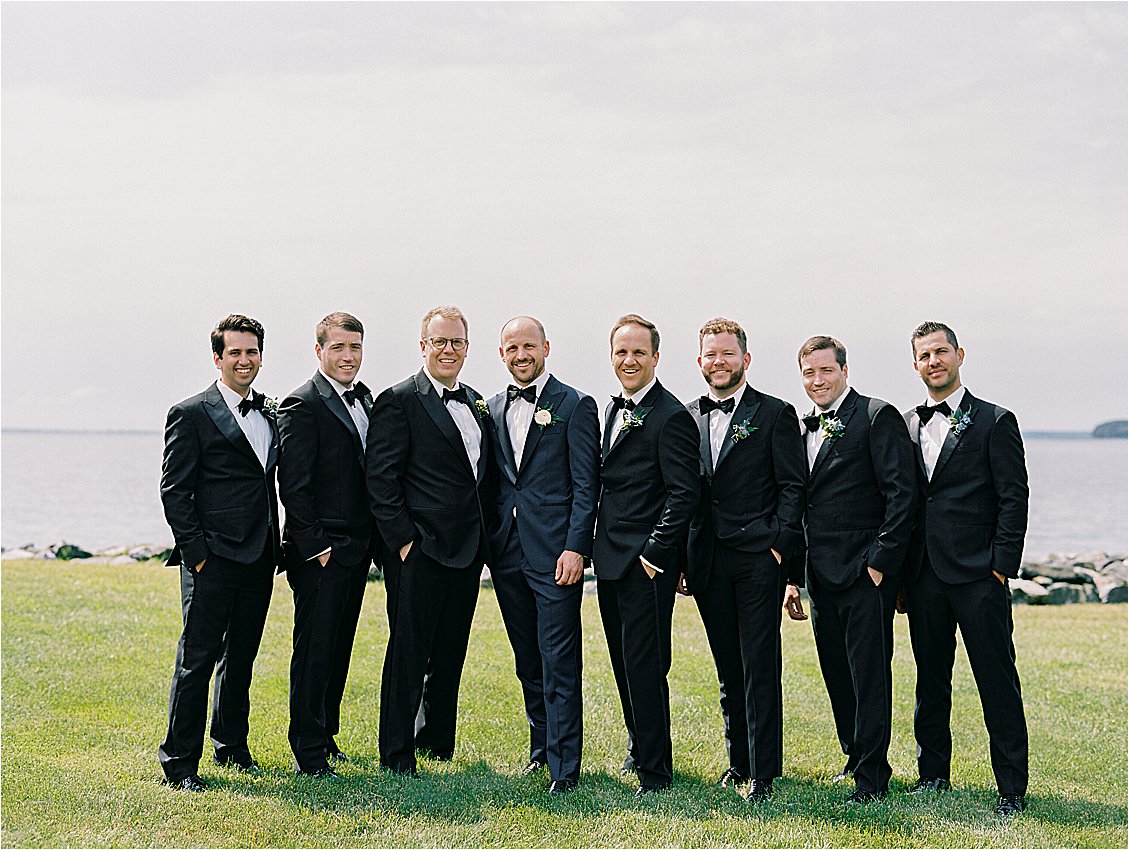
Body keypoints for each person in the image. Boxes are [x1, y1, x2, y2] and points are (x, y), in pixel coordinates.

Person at [902, 321, 1030, 817]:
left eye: (941, 352)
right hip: (924, 576)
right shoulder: (906, 424)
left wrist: (1000, 567)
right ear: (915, 365)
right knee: (930, 680)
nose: (933, 361)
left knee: (996, 680)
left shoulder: (995, 421)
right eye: (924, 355)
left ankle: (1011, 787)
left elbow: (1013, 498)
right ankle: (933, 775)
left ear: (959, 354)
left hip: (979, 576)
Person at [785, 335, 916, 803]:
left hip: (865, 573)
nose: (817, 380)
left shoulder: (877, 416)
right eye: (809, 373)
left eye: (826, 370)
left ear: (844, 370)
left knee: (869, 675)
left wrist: (880, 564)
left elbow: (902, 495)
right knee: (836, 672)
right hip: (819, 574)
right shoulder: (799, 426)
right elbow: (799, 503)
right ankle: (853, 755)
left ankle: (873, 776)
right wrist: (794, 577)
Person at [367, 305, 496, 775]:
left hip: (467, 551)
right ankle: (397, 752)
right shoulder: (398, 400)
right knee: (408, 652)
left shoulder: (477, 402)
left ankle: (436, 740)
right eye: (439, 341)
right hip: (418, 551)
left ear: (467, 348)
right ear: (423, 346)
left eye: (456, 342)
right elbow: (381, 479)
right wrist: (403, 542)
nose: (448, 350)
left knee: (449, 651)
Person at [684, 318, 806, 803]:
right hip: (707, 560)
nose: (719, 362)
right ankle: (737, 762)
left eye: (728, 354)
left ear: (745, 359)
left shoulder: (775, 413)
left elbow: (793, 487)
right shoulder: (687, 416)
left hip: (758, 558)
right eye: (711, 355)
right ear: (700, 361)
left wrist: (779, 547)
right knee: (727, 667)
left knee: (759, 664)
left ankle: (763, 773)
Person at [158, 314, 281, 792]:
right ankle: (179, 763)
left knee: (242, 656)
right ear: (218, 358)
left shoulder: (269, 413)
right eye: (235, 353)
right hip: (211, 560)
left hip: (260, 556)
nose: (244, 360)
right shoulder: (190, 413)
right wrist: (197, 554)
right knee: (197, 660)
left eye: (252, 352)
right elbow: (175, 491)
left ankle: (231, 745)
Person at [485, 316, 600, 794]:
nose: (521, 355)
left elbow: (586, 486)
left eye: (529, 346)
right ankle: (540, 749)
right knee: (527, 660)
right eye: (512, 348)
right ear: (502, 353)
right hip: (507, 553)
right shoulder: (492, 408)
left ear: (546, 348)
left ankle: (564, 768)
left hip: (556, 556)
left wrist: (576, 547)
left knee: (559, 660)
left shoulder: (574, 405)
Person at [594, 313, 699, 796]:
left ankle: (656, 771)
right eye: (622, 352)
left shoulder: (671, 415)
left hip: (645, 564)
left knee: (646, 665)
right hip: (609, 560)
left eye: (639, 352)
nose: (629, 360)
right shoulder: (612, 409)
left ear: (656, 357)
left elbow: (684, 493)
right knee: (622, 662)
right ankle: (638, 748)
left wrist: (656, 553)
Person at [277, 312, 378, 778]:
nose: (348, 356)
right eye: (338, 347)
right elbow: (293, 486)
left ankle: (327, 735)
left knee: (338, 649)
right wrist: (316, 546)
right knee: (315, 651)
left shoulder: (366, 399)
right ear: (319, 351)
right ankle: (308, 750)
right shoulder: (301, 403)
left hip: (355, 549)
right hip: (320, 553)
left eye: (354, 347)